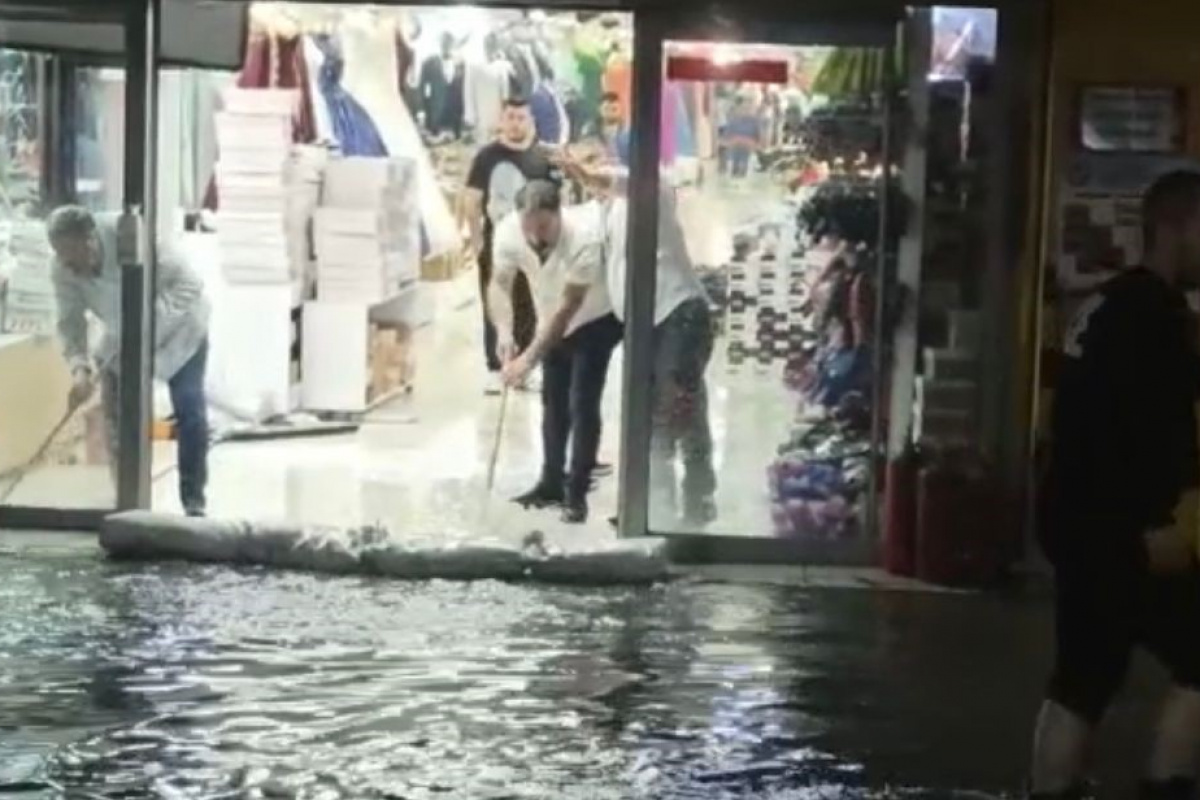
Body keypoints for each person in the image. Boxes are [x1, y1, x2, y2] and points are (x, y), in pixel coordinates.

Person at [1030, 170, 1200, 800]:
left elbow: (1080, 420)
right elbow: (1135, 432)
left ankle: (1053, 787)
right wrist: (1153, 521)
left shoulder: (1109, 304)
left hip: (1077, 520)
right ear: (1179, 227)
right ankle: (1166, 785)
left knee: (1083, 676)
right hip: (1118, 529)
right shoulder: (1152, 317)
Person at [46, 206, 211, 517]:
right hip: (121, 338)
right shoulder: (63, 268)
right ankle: (126, 501)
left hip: (181, 331)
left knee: (189, 410)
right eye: (61, 254)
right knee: (118, 420)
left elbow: (189, 284)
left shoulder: (132, 238)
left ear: (91, 239)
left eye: (73, 253)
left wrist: (145, 325)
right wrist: (79, 368)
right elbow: (70, 322)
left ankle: (193, 502)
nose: (69, 264)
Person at [490, 179, 621, 524]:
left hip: (595, 318)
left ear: (558, 213)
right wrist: (503, 332)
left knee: (582, 402)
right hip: (550, 317)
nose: (536, 237)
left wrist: (528, 360)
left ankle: (576, 494)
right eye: (528, 228)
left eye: (544, 227)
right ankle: (550, 483)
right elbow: (499, 284)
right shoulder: (508, 230)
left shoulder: (585, 237)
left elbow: (569, 308)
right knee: (553, 403)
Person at [596, 170, 717, 527]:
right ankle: (653, 505)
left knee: (681, 406)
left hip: (677, 311)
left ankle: (698, 502)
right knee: (648, 417)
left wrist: (589, 173)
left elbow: (629, 182)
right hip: (643, 321)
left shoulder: (655, 190)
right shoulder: (608, 213)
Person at [463, 96, 560, 395]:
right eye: (510, 117)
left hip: (534, 245)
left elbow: (556, 202)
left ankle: (525, 367)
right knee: (495, 302)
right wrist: (478, 240)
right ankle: (496, 367)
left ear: (530, 120)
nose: (516, 123)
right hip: (495, 243)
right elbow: (472, 200)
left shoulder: (542, 158)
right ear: (502, 120)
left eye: (521, 117)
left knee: (531, 303)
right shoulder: (486, 157)